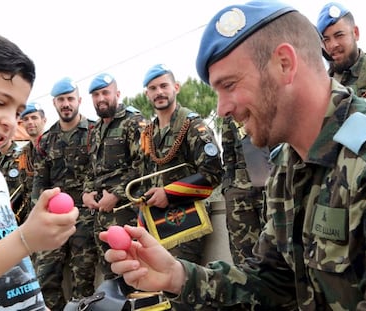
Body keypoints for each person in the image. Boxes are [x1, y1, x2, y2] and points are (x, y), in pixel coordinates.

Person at [101, 1, 366, 310]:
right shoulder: (287, 164)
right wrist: (176, 276)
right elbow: (272, 283)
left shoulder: (364, 156)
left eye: (229, 85)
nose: (221, 108)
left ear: (284, 63)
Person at [0, 31, 78, 311]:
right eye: (0, 103)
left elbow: (15, 271)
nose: (11, 122)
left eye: (18, 111)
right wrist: (25, 239)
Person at [141, 64, 223, 264]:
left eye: (163, 86)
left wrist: (168, 193)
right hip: (156, 219)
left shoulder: (193, 125)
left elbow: (213, 173)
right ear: (147, 94)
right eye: (153, 89)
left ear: (175, 88)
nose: (159, 92)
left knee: (183, 284)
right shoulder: (148, 133)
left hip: (187, 215)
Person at [32, 77, 97, 310]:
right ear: (55, 104)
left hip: (86, 216)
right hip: (55, 218)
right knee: (45, 276)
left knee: (83, 279)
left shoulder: (94, 132)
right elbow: (40, 182)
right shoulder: (46, 141)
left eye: (70, 98)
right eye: (61, 100)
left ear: (79, 100)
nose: (66, 104)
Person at [82, 73, 146, 280]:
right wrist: (87, 193)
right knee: (110, 276)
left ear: (117, 94)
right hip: (100, 216)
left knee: (133, 273)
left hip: (126, 212)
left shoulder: (133, 121)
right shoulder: (96, 129)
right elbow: (92, 169)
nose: (101, 98)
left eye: (105, 93)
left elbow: (143, 165)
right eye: (96, 94)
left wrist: (117, 195)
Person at [221, 116, 270, 264]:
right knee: (243, 257)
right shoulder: (231, 113)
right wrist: (228, 189)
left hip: (271, 185)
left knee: (277, 249)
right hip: (239, 191)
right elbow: (228, 153)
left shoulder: (272, 102)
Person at [317, 2, 366, 97]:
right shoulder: (322, 84)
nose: (333, 45)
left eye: (339, 35)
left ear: (355, 33)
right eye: (326, 40)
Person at [15, 102, 47, 224]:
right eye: (26, 119)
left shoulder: (54, 146)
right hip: (32, 214)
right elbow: (25, 187)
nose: (30, 122)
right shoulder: (24, 153)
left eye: (34, 117)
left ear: (44, 120)